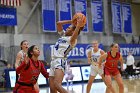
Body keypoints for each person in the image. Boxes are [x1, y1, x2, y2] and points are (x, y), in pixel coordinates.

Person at [49, 15, 85, 93]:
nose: (66, 28)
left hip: (60, 60)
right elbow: (58, 23)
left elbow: (75, 35)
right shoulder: (63, 35)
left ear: (72, 32)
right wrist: (71, 21)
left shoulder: (72, 40)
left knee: (57, 84)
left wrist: (78, 26)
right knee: (52, 89)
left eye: (68, 28)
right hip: (53, 62)